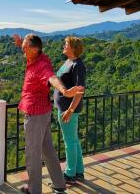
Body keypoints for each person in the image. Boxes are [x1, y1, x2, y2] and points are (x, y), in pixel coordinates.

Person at [13, 34, 84, 194]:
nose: (22, 49)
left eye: (25, 46)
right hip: (43, 112)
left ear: (35, 49)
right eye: (22, 46)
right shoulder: (37, 58)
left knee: (32, 152)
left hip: (35, 114)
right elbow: (29, 52)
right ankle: (59, 183)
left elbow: (52, 78)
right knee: (48, 150)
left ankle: (33, 189)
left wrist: (65, 91)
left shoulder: (42, 66)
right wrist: (20, 44)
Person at [54, 36, 86, 184]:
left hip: (68, 109)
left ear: (73, 48)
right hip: (64, 107)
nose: (64, 45)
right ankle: (79, 172)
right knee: (74, 141)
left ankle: (70, 174)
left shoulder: (78, 65)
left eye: (66, 43)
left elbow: (80, 90)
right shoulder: (69, 62)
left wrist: (70, 110)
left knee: (70, 142)